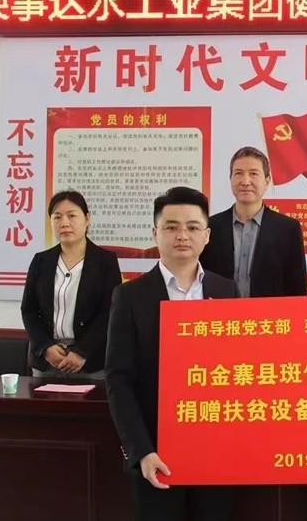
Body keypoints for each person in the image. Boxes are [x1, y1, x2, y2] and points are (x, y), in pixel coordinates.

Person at [106, 187, 239, 521]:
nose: (182, 235)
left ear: (207, 236)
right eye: (171, 227)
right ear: (155, 233)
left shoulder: (226, 290)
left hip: (215, 452)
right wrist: (142, 451)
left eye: (193, 227)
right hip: (156, 454)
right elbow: (118, 380)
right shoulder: (129, 296)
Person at [21, 190, 121, 378]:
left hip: (89, 362)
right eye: (57, 217)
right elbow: (29, 310)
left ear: (87, 219)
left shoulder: (106, 262)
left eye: (72, 216)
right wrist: (46, 347)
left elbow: (109, 312)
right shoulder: (41, 261)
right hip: (48, 360)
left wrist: (82, 351)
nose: (64, 223)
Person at [200, 146, 307, 297]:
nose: (245, 181)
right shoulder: (210, 227)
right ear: (230, 179)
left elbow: (297, 289)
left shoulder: (288, 229)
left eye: (253, 174)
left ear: (267, 181)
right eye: (238, 173)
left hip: (269, 312)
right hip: (219, 311)